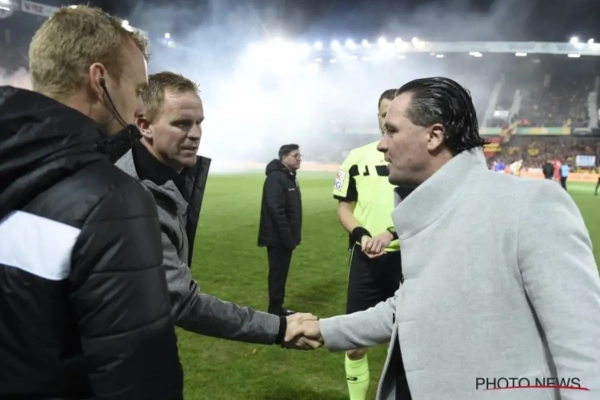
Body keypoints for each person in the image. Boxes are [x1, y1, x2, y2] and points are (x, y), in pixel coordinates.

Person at [289, 77, 600, 400]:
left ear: (434, 136)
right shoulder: (427, 210)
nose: (381, 144)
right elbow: (411, 306)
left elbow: (584, 346)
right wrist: (325, 329)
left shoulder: (531, 205)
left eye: (392, 131)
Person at [0, 6, 183, 400]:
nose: (141, 109)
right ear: (100, 80)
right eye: (139, 91)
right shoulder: (110, 201)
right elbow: (139, 375)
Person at [116, 72, 317, 349]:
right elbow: (182, 301)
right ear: (144, 125)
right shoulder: (135, 198)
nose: (195, 134)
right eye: (182, 124)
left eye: (199, 122)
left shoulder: (165, 179)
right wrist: (278, 328)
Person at [332, 88, 403, 400]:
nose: (387, 120)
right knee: (354, 342)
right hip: (365, 259)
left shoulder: (419, 158)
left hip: (409, 258)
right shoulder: (356, 157)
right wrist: (362, 236)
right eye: (383, 114)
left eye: (394, 114)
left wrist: (391, 233)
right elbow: (344, 208)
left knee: (405, 341)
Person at [258, 144, 303, 316]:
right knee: (277, 274)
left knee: (281, 273)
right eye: (295, 156)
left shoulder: (289, 177)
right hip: (278, 237)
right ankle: (275, 310)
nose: (299, 159)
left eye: (300, 156)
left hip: (285, 237)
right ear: (284, 157)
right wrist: (288, 238)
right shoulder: (275, 178)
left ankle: (277, 308)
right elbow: (276, 210)